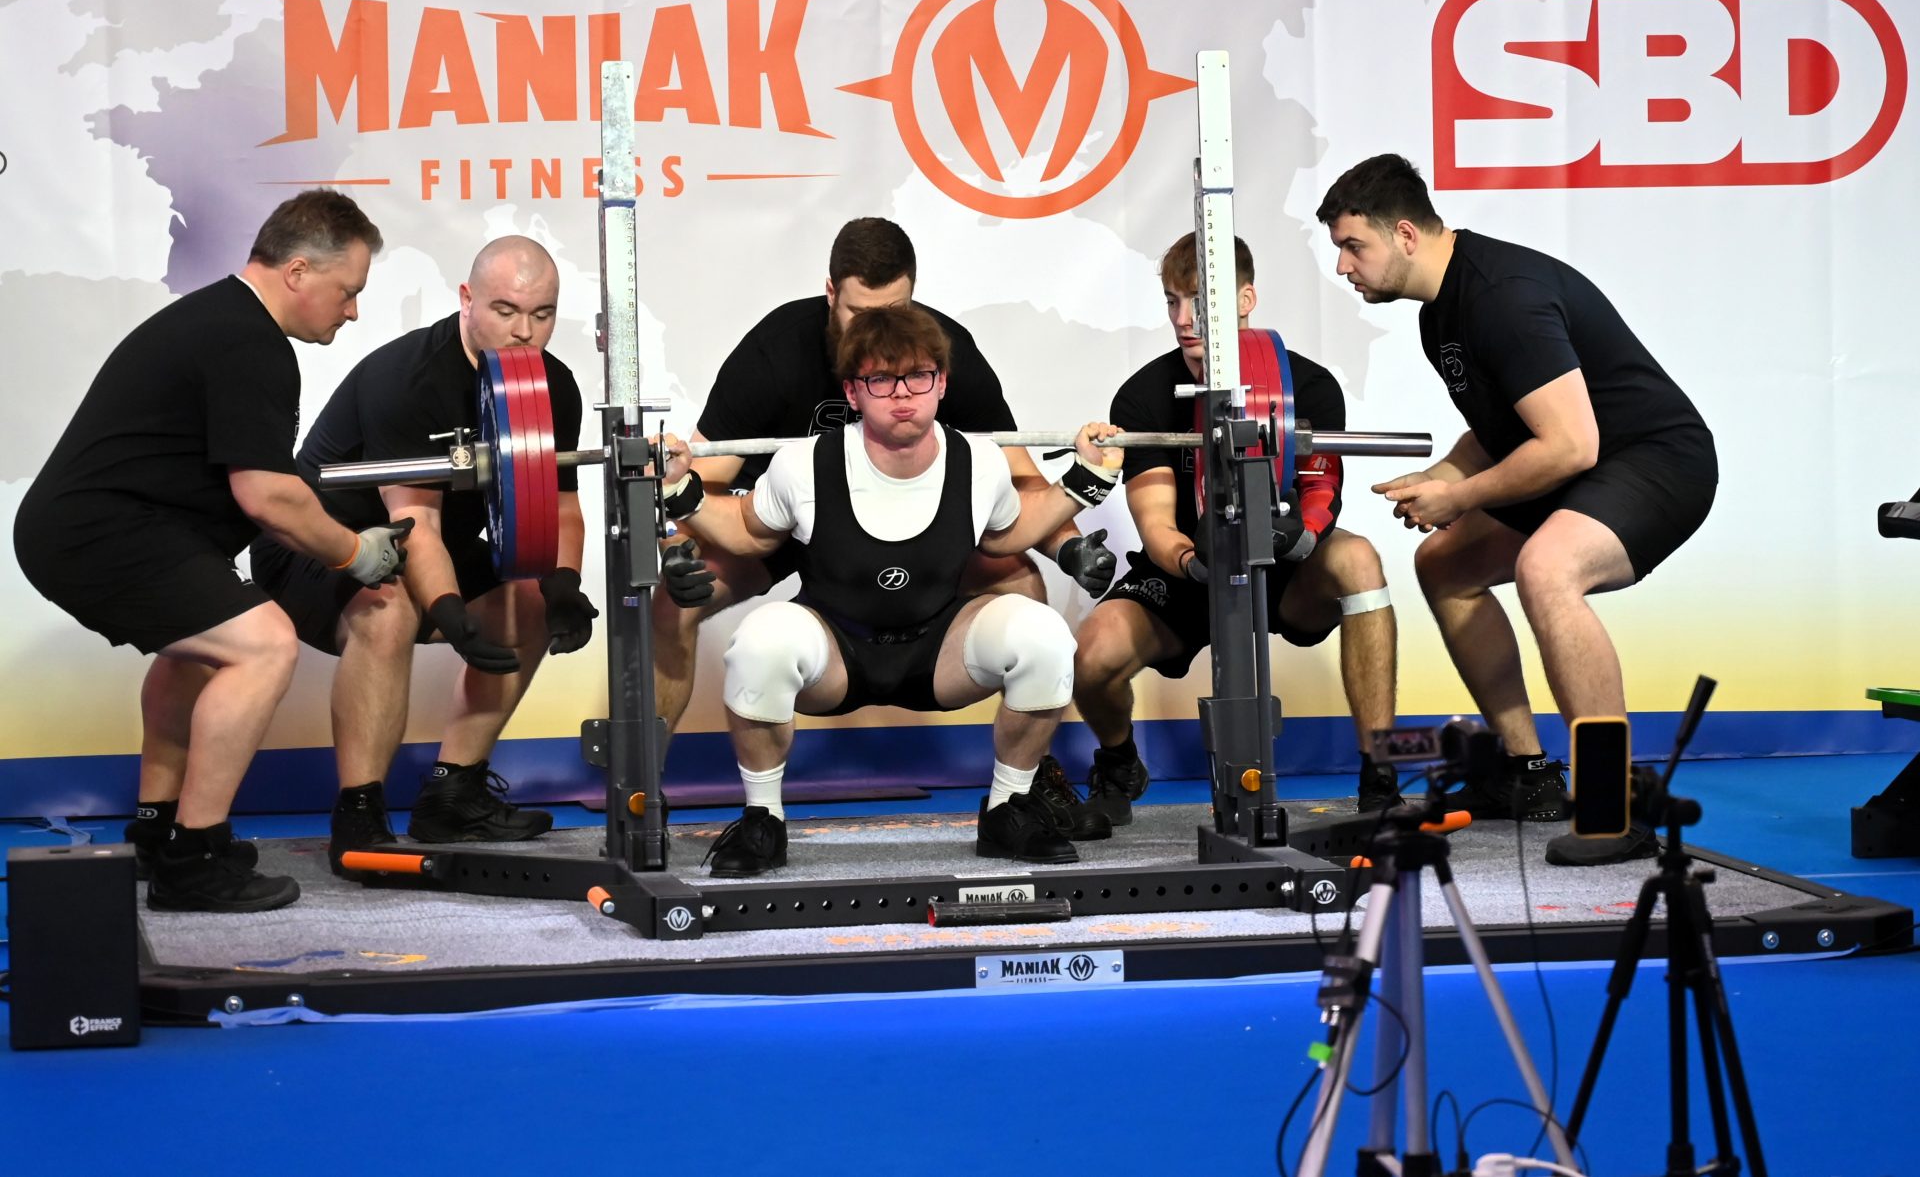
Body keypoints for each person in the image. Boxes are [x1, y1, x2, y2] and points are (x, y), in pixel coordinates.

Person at [13, 190, 408, 913]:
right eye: (348, 292)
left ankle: (159, 828)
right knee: (264, 645)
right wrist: (356, 552)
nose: (352, 311)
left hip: (98, 528)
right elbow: (269, 497)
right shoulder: (248, 342)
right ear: (297, 271)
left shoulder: (221, 321)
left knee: (200, 650)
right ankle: (192, 860)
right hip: (99, 534)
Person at [657, 215, 1114, 837]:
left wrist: (1069, 547)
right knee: (670, 602)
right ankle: (641, 792)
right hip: (787, 518)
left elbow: (1018, 485)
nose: (876, 332)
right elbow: (704, 483)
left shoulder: (939, 349)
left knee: (1022, 586)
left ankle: (1025, 787)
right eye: (858, 313)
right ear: (830, 294)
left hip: (911, 525)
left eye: (894, 311)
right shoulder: (774, 351)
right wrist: (677, 551)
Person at [1316, 154, 1715, 831]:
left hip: (1657, 463)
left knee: (1547, 569)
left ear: (1405, 235)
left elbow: (1569, 445)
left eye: (1354, 247)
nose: (1342, 266)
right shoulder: (1439, 314)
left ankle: (1613, 802)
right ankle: (1527, 775)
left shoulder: (1502, 296)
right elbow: (1505, 428)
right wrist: (1447, 474)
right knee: (1445, 565)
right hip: (1586, 466)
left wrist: (1460, 498)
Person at [248, 236, 594, 875]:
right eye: (505, 311)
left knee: (529, 601)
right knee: (389, 610)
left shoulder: (552, 385)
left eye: (541, 314)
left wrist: (564, 584)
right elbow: (417, 526)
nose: (524, 332)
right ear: (467, 300)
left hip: (428, 545)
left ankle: (453, 796)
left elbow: (561, 505)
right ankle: (359, 815)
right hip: (315, 547)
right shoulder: (408, 380)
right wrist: (451, 613)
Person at [1071, 233, 1403, 825]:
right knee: (1091, 655)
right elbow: (1156, 524)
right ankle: (1119, 761)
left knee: (1360, 561)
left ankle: (1380, 774)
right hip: (1190, 572)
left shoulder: (1309, 387)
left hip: (1285, 563)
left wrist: (1300, 537)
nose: (1182, 320)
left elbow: (1320, 492)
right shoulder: (1145, 396)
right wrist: (1194, 561)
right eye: (1172, 302)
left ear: (1245, 299)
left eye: (1200, 303)